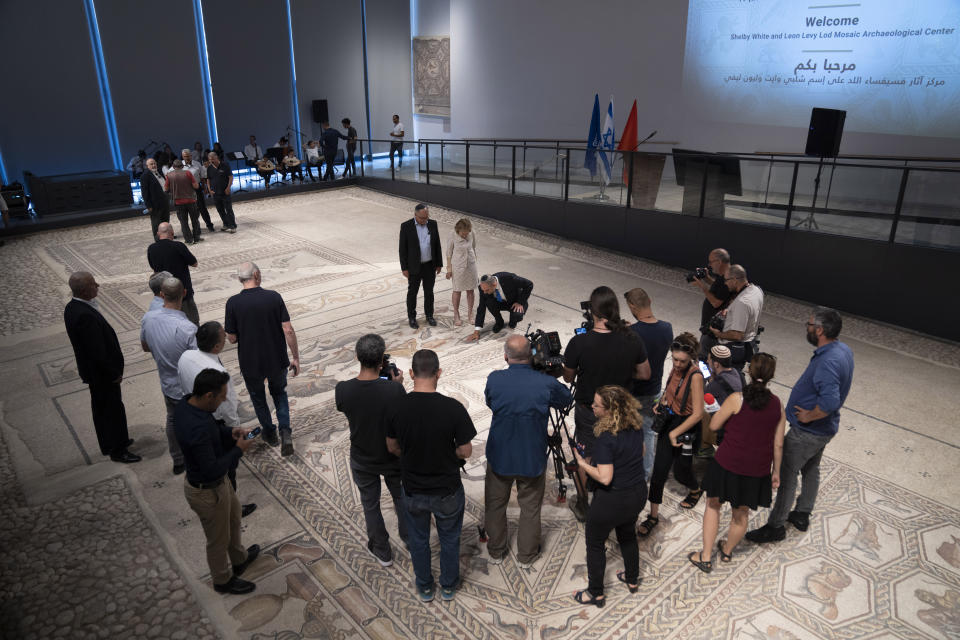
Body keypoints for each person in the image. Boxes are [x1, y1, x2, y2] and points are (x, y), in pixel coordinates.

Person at [746, 307, 854, 544]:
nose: (806, 327)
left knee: (787, 474)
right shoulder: (843, 350)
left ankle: (775, 526)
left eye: (809, 324)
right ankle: (802, 512)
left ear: (820, 330)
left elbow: (830, 401)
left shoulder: (829, 361)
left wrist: (809, 416)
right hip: (824, 430)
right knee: (811, 468)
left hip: (808, 432)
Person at [386, 349, 476, 602]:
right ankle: (448, 586)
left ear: (412, 374)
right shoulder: (453, 408)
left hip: (413, 488)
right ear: (439, 373)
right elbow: (466, 451)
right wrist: (447, 453)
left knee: (418, 539)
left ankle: (425, 586)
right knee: (449, 539)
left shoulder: (397, 407)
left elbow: (391, 446)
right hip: (447, 488)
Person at [561, 286, 650, 520]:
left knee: (586, 454)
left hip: (590, 411)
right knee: (618, 450)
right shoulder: (632, 338)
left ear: (593, 311)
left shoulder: (580, 342)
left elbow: (568, 377)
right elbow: (644, 374)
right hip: (622, 411)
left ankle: (582, 503)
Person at [690, 353, 784, 572]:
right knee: (741, 514)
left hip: (727, 463)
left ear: (749, 372)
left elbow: (714, 426)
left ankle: (705, 556)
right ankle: (727, 551)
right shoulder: (777, 405)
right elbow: (778, 444)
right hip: (757, 469)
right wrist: (776, 471)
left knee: (713, 505)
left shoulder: (737, 399)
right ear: (771, 376)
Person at [484, 336, 572, 567]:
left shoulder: (495, 379)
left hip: (500, 454)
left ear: (506, 356)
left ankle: (496, 550)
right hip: (531, 456)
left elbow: (491, 402)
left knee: (495, 505)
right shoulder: (544, 383)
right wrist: (551, 377)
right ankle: (526, 554)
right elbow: (566, 400)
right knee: (530, 507)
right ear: (532, 355)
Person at [174, 368, 260, 595]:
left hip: (221, 486)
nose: (224, 401)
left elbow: (213, 429)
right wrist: (239, 449)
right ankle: (222, 580)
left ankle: (239, 559)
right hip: (207, 492)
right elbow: (212, 468)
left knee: (233, 520)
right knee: (217, 539)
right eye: (221, 396)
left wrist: (229, 432)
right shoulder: (196, 428)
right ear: (208, 395)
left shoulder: (187, 405)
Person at [335, 334, 408, 567]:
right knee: (401, 498)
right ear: (382, 361)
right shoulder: (394, 391)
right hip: (391, 455)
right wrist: (397, 387)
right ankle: (409, 537)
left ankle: (381, 549)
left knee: (370, 504)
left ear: (357, 357)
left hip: (362, 456)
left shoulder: (343, 390)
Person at [572, 386, 647, 607]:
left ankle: (596, 593)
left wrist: (583, 464)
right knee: (627, 535)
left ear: (610, 410)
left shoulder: (606, 438)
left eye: (597, 405)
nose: (593, 407)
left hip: (612, 500)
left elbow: (605, 478)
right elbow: (641, 452)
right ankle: (632, 579)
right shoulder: (635, 426)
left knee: (595, 542)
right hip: (637, 493)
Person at [178, 321, 256, 518]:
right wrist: (235, 432)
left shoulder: (186, 356)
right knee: (227, 468)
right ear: (217, 346)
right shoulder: (219, 374)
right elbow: (228, 405)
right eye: (223, 338)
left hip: (198, 410)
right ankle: (232, 507)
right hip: (217, 421)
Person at [63, 272, 140, 464]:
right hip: (102, 374)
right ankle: (118, 449)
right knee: (111, 410)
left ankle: (109, 443)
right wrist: (113, 373)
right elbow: (97, 351)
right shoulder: (83, 316)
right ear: (84, 290)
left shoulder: (73, 307)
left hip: (95, 373)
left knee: (102, 407)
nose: (97, 285)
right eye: (93, 284)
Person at [225, 262, 300, 457]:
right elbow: (288, 330)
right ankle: (285, 431)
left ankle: (269, 433)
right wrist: (295, 357)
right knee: (279, 394)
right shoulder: (273, 297)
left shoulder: (232, 303)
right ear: (257, 275)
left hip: (250, 362)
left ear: (240, 279)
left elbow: (231, 338)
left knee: (258, 398)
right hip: (276, 359)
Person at [638, 332, 705, 537]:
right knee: (659, 473)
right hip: (671, 422)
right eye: (674, 359)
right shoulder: (675, 370)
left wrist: (675, 432)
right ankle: (653, 516)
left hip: (687, 426)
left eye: (682, 361)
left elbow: (698, 413)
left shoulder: (696, 376)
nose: (677, 364)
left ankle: (695, 489)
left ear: (691, 358)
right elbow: (669, 392)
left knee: (681, 472)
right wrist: (661, 404)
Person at [141, 277, 196, 474]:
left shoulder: (148, 318)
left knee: (172, 419)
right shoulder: (187, 328)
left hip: (166, 381)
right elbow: (198, 362)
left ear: (162, 295)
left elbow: (145, 346)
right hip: (187, 388)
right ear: (184, 293)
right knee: (196, 424)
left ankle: (178, 460)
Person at [623, 287, 673, 481]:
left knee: (627, 433)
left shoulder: (632, 333)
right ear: (650, 301)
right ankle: (644, 476)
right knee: (649, 435)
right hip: (654, 392)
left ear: (632, 306)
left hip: (635, 393)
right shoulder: (667, 328)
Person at [709, 265, 763, 370]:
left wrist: (718, 334)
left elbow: (737, 335)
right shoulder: (757, 290)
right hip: (748, 344)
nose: (725, 283)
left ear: (734, 280)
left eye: (726, 280)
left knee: (725, 378)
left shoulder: (742, 302)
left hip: (732, 349)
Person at [398, 203, 442, 329]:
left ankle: (429, 316)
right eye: (422, 218)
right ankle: (412, 318)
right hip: (414, 267)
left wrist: (439, 264)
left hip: (429, 265)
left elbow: (437, 245)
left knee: (429, 292)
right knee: (412, 293)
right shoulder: (406, 226)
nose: (424, 220)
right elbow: (402, 249)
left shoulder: (433, 224)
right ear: (415, 215)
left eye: (426, 217)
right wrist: (404, 268)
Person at [147, 222, 200, 325]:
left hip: (165, 295)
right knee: (192, 323)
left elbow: (153, 268)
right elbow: (194, 263)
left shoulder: (151, 249)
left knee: (170, 324)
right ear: (172, 233)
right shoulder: (178, 246)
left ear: (158, 233)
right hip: (183, 294)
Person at [697, 345, 744, 458]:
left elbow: (701, 398)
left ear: (716, 364)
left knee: (700, 411)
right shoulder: (737, 373)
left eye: (709, 360)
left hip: (725, 433)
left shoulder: (715, 386)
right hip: (740, 428)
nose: (707, 362)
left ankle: (705, 448)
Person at [690, 248, 734, 360]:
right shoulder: (727, 275)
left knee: (703, 359)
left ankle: (704, 377)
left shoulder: (727, 278)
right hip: (711, 327)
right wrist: (707, 278)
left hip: (712, 331)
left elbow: (716, 303)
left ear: (719, 262)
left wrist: (702, 286)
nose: (709, 265)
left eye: (711, 262)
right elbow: (720, 290)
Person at [466, 271, 533, 340]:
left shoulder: (509, 278)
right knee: (489, 302)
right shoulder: (483, 287)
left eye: (487, 290)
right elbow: (481, 307)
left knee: (517, 315)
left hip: (515, 302)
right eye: (483, 290)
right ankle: (499, 322)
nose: (484, 292)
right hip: (500, 301)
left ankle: (511, 325)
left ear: (494, 284)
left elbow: (529, 284)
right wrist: (476, 331)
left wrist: (520, 302)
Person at [445, 218, 479, 327]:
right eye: (463, 234)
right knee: (457, 290)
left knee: (470, 290)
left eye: (466, 233)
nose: (465, 236)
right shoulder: (452, 235)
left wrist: (475, 262)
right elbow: (448, 253)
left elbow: (473, 247)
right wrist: (449, 269)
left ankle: (470, 313)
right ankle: (456, 314)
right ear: (458, 230)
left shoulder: (472, 232)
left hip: (470, 264)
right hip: (458, 265)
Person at [164, 159, 203, 244]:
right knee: (195, 220)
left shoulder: (169, 175)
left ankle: (188, 240)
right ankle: (197, 237)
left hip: (178, 202)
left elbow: (166, 189)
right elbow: (196, 186)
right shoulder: (188, 173)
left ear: (173, 167)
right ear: (182, 166)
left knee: (183, 222)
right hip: (191, 200)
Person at [182, 149, 214, 232]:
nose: (187, 158)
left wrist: (204, 188)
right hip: (186, 190)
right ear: (183, 157)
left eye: (188, 156)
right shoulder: (180, 165)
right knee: (192, 210)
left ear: (191, 156)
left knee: (202, 208)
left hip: (197, 188)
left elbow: (202, 177)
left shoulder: (197, 164)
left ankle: (209, 225)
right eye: (185, 156)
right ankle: (196, 227)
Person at [205, 152, 237, 233]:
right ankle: (226, 224)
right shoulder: (209, 168)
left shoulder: (225, 165)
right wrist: (209, 189)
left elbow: (230, 177)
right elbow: (208, 179)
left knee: (228, 209)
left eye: (213, 159)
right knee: (220, 210)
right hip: (215, 193)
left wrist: (228, 187)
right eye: (210, 160)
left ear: (217, 158)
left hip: (225, 192)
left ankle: (233, 225)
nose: (211, 161)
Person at [140, 158, 170, 239]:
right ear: (147, 166)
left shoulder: (159, 171)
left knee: (166, 219)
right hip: (154, 204)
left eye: (154, 163)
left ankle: (167, 236)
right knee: (156, 222)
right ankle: (158, 239)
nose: (154, 165)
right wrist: (148, 206)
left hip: (164, 199)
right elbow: (144, 193)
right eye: (151, 164)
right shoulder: (145, 176)